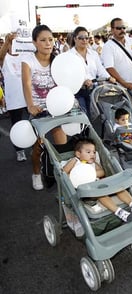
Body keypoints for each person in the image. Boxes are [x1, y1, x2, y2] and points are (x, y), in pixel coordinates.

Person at [22, 25, 67, 190]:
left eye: (50, 39)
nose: (48, 43)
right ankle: (36, 173)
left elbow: (66, 81)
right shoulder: (28, 60)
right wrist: (30, 105)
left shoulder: (58, 59)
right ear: (35, 42)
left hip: (55, 108)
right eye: (43, 40)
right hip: (37, 109)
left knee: (62, 145)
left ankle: (62, 174)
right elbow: (26, 84)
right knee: (38, 146)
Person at [63, 138, 132, 222]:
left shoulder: (93, 164)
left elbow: (102, 172)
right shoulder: (75, 161)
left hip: (99, 184)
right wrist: (78, 176)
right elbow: (63, 173)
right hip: (87, 189)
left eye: (94, 152)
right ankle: (119, 212)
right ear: (78, 154)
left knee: (119, 188)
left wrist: (92, 174)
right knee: (101, 195)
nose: (92, 154)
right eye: (88, 152)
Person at [70, 26, 116, 118]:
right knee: (83, 116)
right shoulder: (69, 56)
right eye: (81, 38)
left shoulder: (93, 54)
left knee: (94, 116)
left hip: (94, 89)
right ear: (75, 39)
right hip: (78, 91)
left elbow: (100, 69)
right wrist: (83, 80)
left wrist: (109, 77)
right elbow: (70, 74)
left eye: (86, 38)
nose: (84, 40)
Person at [101, 18, 132, 96]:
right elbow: (109, 67)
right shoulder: (108, 46)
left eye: (124, 28)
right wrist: (124, 83)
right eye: (118, 28)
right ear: (112, 30)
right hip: (115, 88)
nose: (122, 30)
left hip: (131, 85)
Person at [0, 32, 28, 161]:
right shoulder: (5, 58)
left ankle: (39, 149)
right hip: (14, 100)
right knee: (17, 126)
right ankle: (20, 151)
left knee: (35, 124)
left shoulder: (25, 56)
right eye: (12, 44)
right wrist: (7, 41)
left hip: (28, 97)